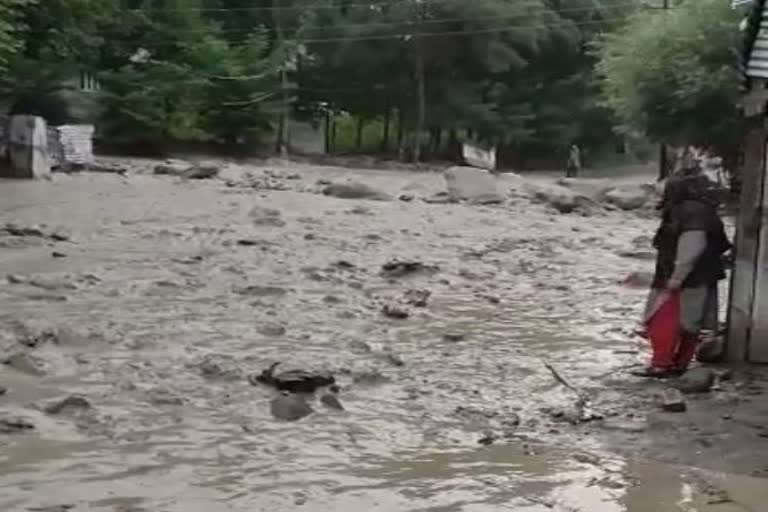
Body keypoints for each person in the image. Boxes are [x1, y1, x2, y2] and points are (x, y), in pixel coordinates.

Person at [634, 168, 731, 378]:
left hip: (683, 278)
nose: (659, 195)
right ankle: (679, 365)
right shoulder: (704, 210)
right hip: (701, 276)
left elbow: (693, 243)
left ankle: (661, 364)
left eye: (663, 190)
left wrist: (677, 276)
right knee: (691, 324)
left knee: (662, 322)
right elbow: (721, 245)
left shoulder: (687, 211)